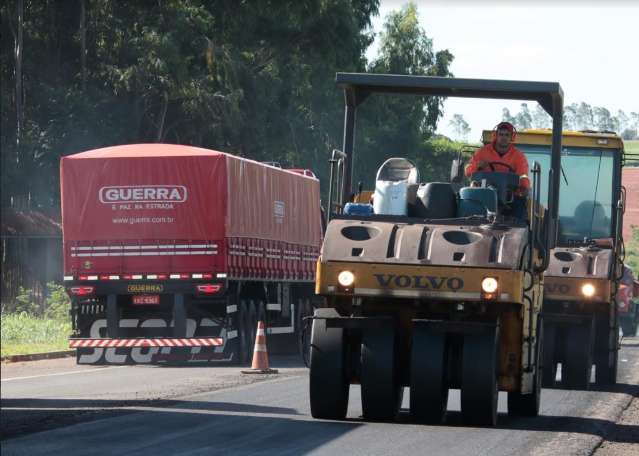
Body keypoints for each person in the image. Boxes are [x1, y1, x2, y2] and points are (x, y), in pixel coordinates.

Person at [465, 121, 529, 219]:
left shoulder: (519, 157)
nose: (503, 137)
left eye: (507, 135)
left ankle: (518, 227)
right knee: (467, 202)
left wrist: (524, 186)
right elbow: (468, 172)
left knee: (520, 205)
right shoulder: (482, 152)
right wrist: (477, 166)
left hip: (509, 199)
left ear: (512, 137)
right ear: (496, 135)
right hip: (483, 196)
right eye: (501, 134)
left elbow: (523, 176)